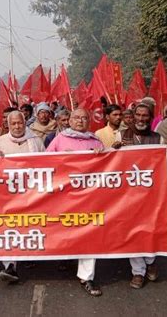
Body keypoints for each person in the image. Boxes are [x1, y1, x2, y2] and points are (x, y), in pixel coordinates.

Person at [46, 108, 103, 296]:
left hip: (89, 196)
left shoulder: (95, 141)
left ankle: (87, 276)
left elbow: (109, 167)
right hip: (64, 196)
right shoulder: (60, 139)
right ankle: (64, 257)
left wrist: (101, 155)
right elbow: (42, 162)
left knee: (88, 233)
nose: (80, 121)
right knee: (65, 230)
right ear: (69, 121)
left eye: (84, 118)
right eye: (76, 118)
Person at [112, 103, 161, 288]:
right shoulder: (121, 136)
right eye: (138, 115)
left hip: (151, 194)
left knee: (148, 231)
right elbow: (111, 165)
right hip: (127, 194)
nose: (141, 119)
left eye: (145, 116)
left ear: (150, 118)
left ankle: (150, 261)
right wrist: (113, 150)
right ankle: (138, 272)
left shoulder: (158, 137)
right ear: (133, 116)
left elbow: (164, 165)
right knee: (131, 232)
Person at [0, 111, 45, 283]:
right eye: (13, 123)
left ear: (25, 123)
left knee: (29, 226)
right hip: (7, 194)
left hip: (32, 193)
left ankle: (30, 255)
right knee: (8, 227)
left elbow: (48, 164)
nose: (17, 127)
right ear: (8, 125)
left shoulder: (36, 141)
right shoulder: (0, 141)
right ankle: (10, 266)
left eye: (20, 123)